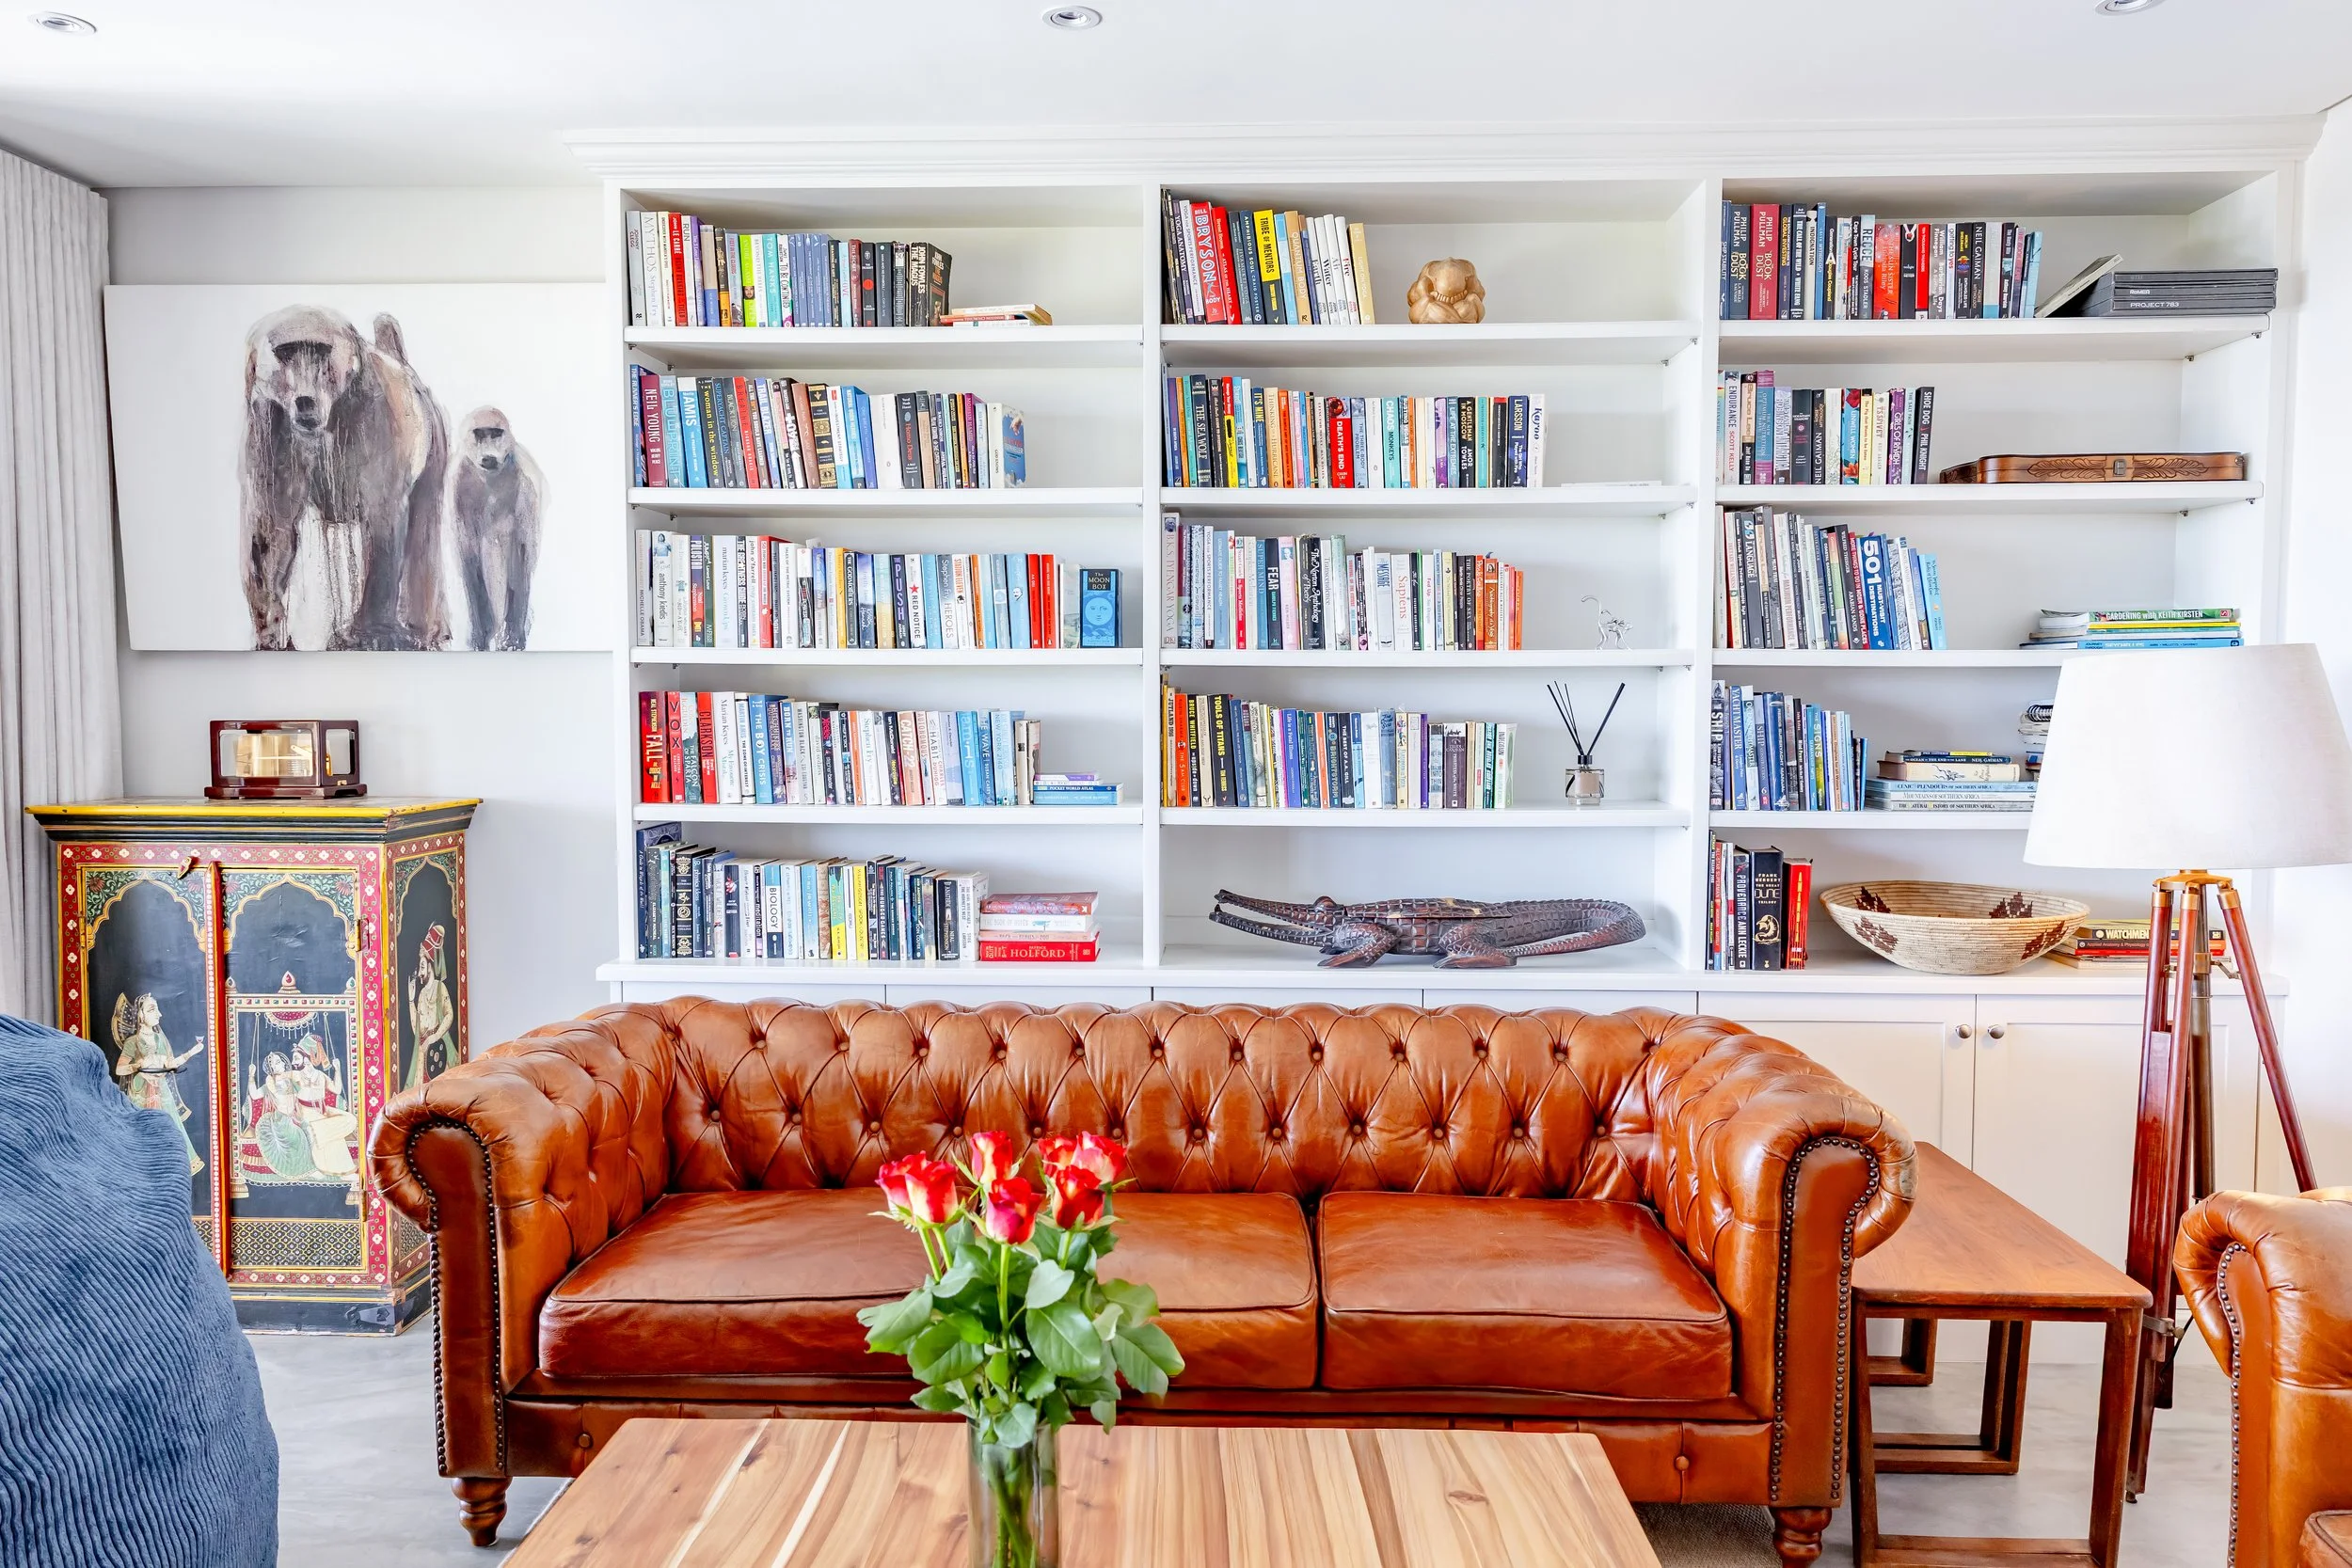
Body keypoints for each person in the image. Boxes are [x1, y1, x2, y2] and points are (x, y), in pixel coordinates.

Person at [111, 992, 204, 1175]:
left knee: (170, 1130)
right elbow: (119, 1070)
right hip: (140, 1092)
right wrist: (138, 1065)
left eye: (157, 1009)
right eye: (152, 1010)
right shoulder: (133, 1041)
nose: (159, 1014)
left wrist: (192, 1052)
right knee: (141, 1132)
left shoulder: (160, 1039)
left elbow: (170, 1064)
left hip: (162, 1092)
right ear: (141, 1015)